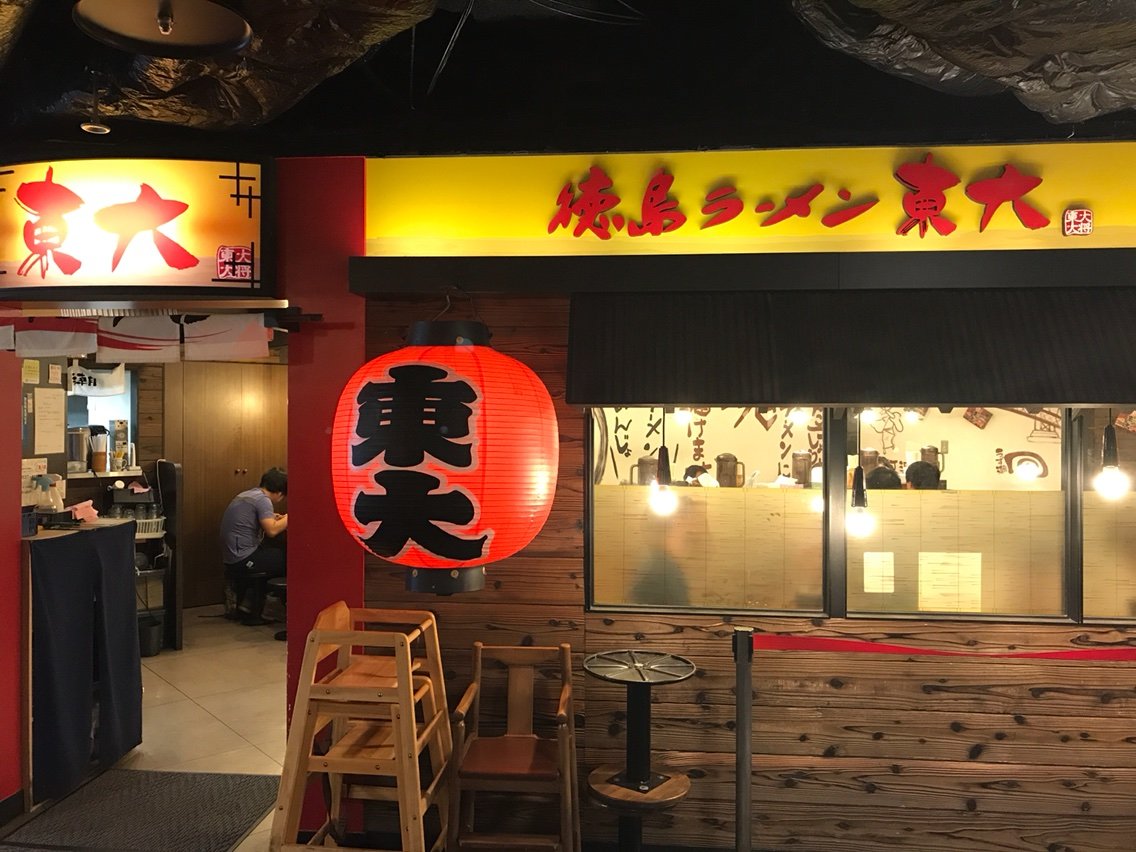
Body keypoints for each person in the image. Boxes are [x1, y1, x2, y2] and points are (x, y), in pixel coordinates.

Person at [220, 467, 288, 624]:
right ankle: (275, 609)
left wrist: (274, 517)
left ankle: (248, 603)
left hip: (233, 558)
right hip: (242, 558)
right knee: (289, 560)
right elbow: (272, 530)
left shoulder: (248, 494)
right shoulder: (263, 500)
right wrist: (290, 517)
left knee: (273, 555)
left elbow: (256, 518)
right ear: (279, 492)